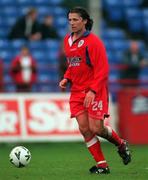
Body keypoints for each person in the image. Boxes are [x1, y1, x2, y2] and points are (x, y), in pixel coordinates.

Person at [59, 7, 131, 174]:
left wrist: (92, 91)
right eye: (70, 20)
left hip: (95, 90)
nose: (72, 23)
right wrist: (67, 78)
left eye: (75, 20)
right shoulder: (67, 41)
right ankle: (102, 165)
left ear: (84, 21)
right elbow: (74, 63)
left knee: (96, 128)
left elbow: (102, 69)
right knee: (84, 129)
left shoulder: (93, 41)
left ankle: (121, 144)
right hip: (76, 91)